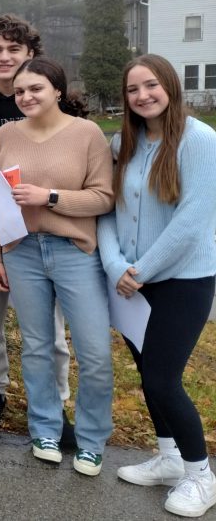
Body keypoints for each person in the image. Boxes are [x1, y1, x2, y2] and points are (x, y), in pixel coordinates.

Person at [0, 57, 113, 475]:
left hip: (74, 251)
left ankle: (92, 440)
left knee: (93, 351)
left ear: (57, 90)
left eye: (35, 88)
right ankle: (46, 429)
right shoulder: (6, 134)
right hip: (22, 253)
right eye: (20, 91)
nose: (26, 97)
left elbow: (103, 197)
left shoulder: (87, 134)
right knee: (37, 347)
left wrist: (50, 197)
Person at [99, 54, 216, 517]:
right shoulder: (124, 143)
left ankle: (201, 476)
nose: (143, 95)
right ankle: (168, 457)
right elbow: (107, 210)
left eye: (151, 85)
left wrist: (141, 270)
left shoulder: (200, 140)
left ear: (170, 85)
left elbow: (191, 222)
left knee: (164, 380)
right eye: (133, 89)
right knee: (147, 375)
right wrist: (114, 267)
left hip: (182, 281)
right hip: (130, 282)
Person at [0, 14, 71, 432]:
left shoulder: (53, 107)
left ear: (31, 54)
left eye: (14, 49)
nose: (5, 57)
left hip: (44, 235)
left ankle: (57, 402)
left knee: (47, 330)